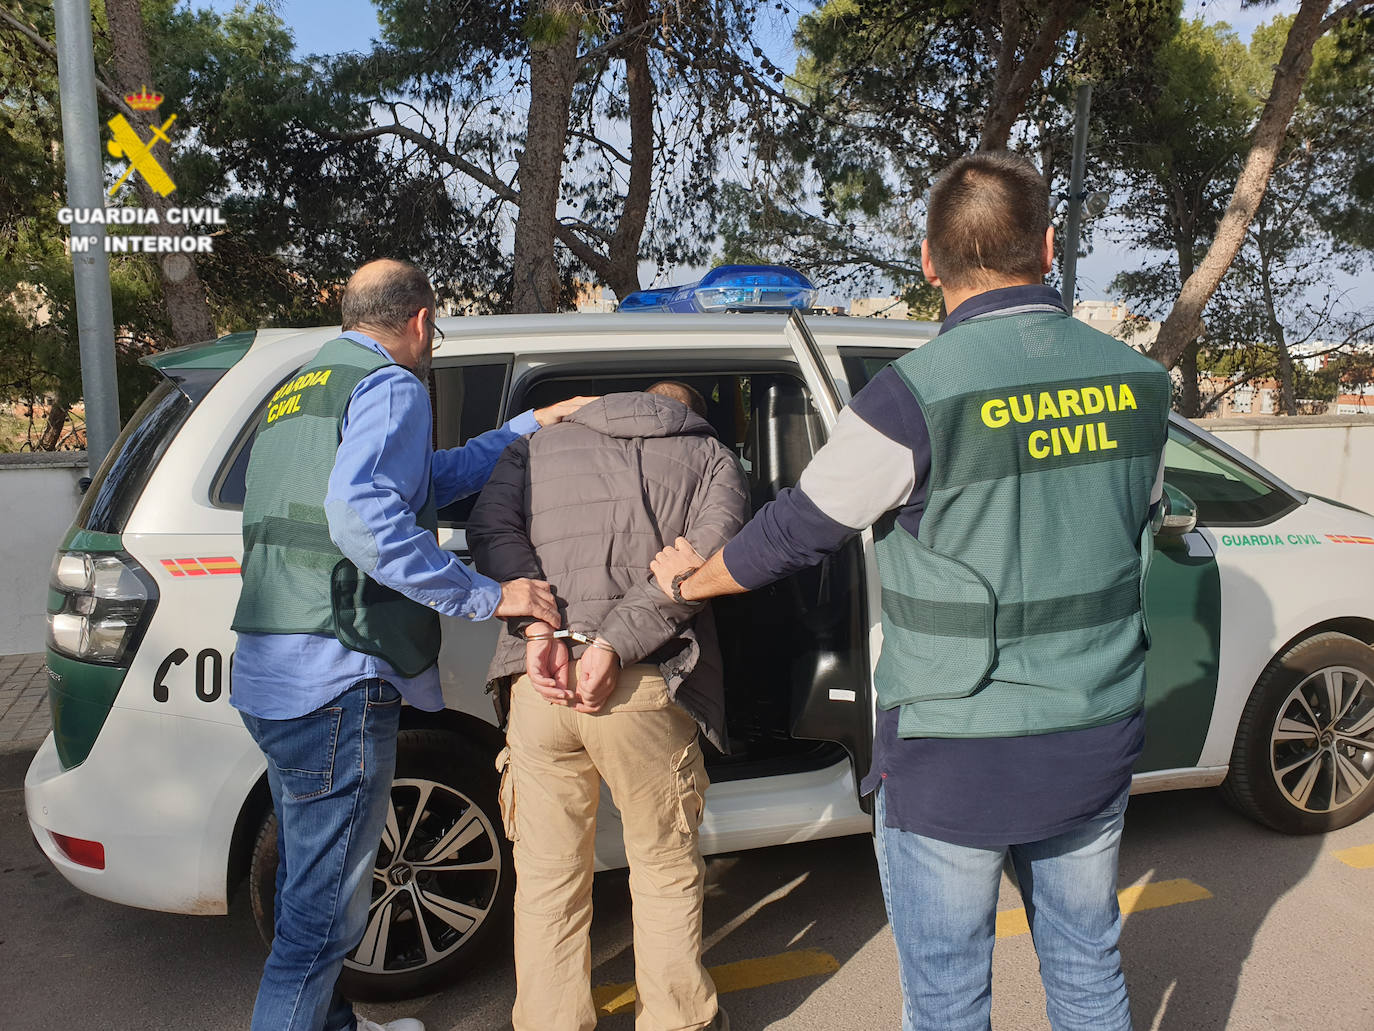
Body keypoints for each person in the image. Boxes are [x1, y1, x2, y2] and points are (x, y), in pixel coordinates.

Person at [651, 153, 1172, 1031]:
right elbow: (1140, 518)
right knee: (1087, 973)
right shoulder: (1140, 384)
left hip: (954, 745)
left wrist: (689, 576)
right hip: (1092, 727)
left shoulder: (912, 397)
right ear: (1048, 247)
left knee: (948, 999)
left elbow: (796, 529)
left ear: (929, 260)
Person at [230, 258, 588, 1031]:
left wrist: (529, 427)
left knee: (307, 884)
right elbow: (363, 516)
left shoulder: (303, 385)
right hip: (336, 676)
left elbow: (419, 479)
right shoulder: (391, 385)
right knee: (319, 926)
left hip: (271, 670)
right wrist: (489, 594)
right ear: (422, 319)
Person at [467, 381, 749, 1031]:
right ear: (688, 414)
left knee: (547, 877)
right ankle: (677, 1020)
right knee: (663, 865)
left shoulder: (533, 447)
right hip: (644, 684)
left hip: (539, 681)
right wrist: (615, 644)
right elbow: (709, 560)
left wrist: (542, 627)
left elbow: (490, 529)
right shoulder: (711, 458)